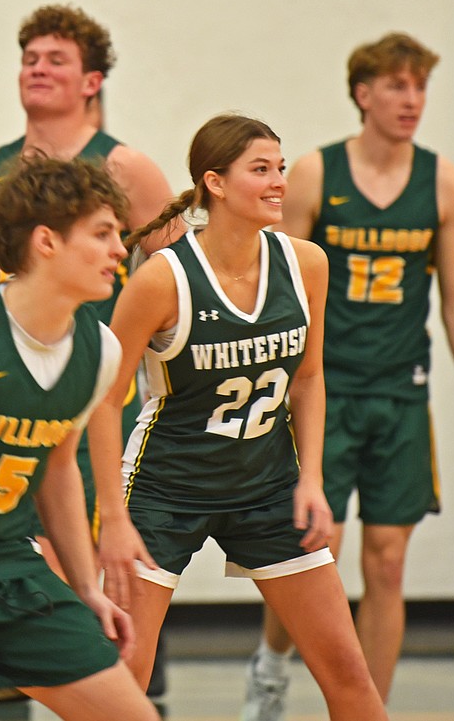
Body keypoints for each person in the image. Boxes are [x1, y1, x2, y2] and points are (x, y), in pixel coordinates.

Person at [89, 114, 388, 721]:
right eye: (261, 169)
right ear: (215, 183)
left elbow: (307, 378)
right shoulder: (161, 280)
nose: (279, 181)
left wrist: (312, 481)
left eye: (280, 167)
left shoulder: (307, 265)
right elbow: (102, 397)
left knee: (350, 677)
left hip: (266, 483)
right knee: (124, 681)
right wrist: (113, 519)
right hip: (165, 486)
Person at [243, 32, 454, 720]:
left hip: (399, 390)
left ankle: (365, 710)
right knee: (311, 548)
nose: (411, 100)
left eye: (419, 87)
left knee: (386, 563)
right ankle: (271, 667)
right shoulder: (318, 176)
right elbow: (281, 284)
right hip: (326, 388)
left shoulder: (444, 183)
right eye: (396, 86)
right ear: (363, 94)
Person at [0, 157, 160, 721]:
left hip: (6, 557)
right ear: (46, 241)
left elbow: (60, 469)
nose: (122, 249)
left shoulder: (100, 350)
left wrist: (87, 588)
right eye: (102, 233)